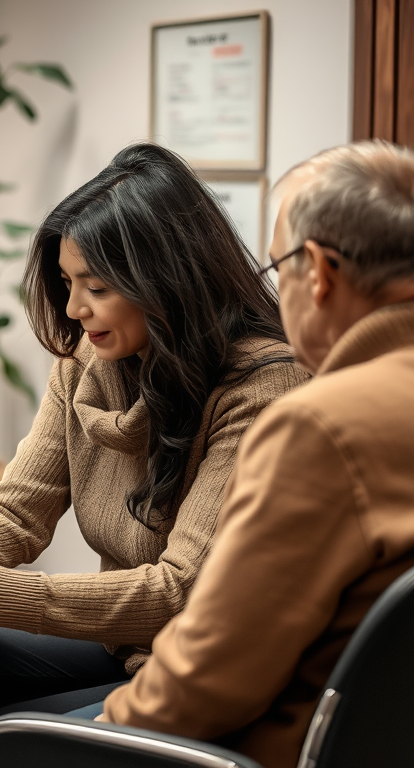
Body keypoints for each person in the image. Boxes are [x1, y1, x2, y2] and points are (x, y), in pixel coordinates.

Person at [0, 142, 309, 768]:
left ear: (166, 278)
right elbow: (15, 514)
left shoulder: (261, 388)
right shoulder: (90, 363)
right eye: (67, 283)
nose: (73, 309)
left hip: (203, 669)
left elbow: (180, 591)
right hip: (125, 645)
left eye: (97, 286)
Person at [97, 140, 414, 768]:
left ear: (319, 272)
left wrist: (103, 729)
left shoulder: (321, 425)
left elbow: (209, 676)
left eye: (279, 267)